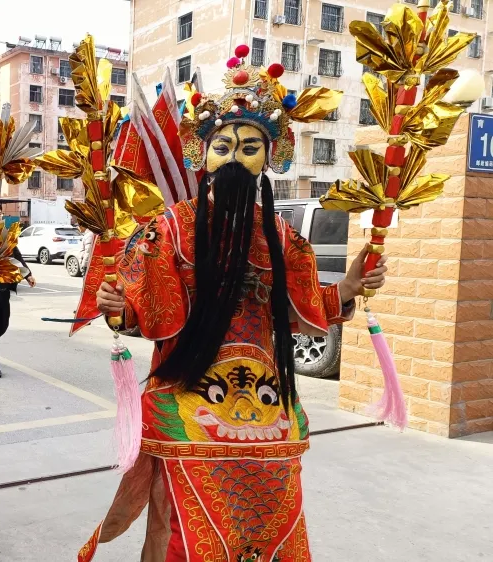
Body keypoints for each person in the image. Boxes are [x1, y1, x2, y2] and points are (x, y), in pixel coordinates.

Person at [79, 49, 388, 561]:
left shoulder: (283, 238)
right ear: (204, 155)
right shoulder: (170, 229)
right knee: (184, 534)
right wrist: (118, 305)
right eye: (222, 145)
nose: (235, 158)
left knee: (271, 532)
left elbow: (295, 313)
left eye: (250, 147)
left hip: (268, 415)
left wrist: (350, 287)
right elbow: (142, 312)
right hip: (189, 405)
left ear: (269, 158)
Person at [0, 208, 36, 378]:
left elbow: (17, 256)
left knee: (2, 325)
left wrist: (28, 274)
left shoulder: (6, 237)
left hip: (3, 289)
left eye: (0, 213)